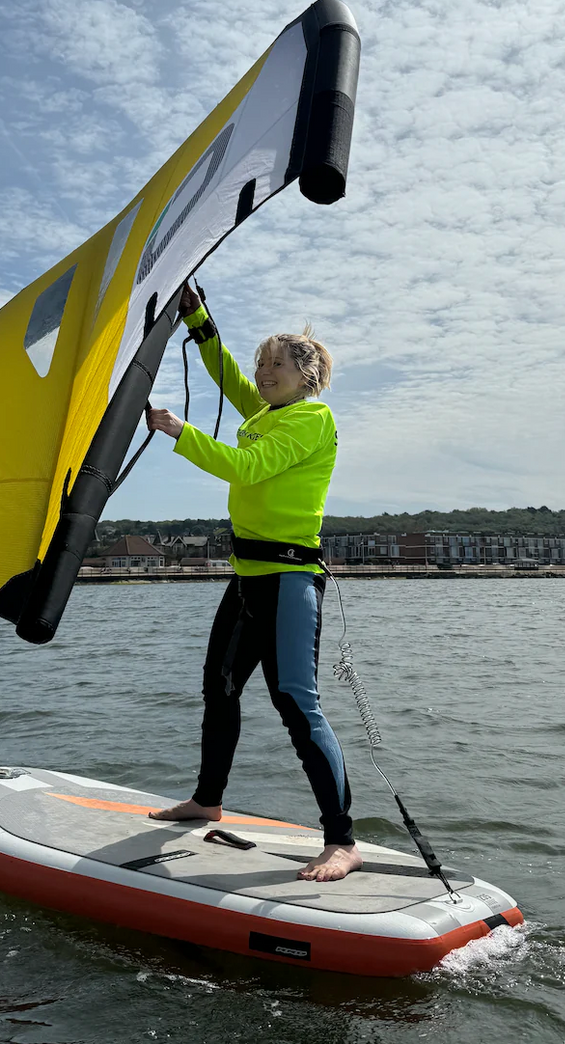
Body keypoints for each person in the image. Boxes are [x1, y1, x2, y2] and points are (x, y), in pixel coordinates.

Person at [145, 283, 361, 882]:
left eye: (276, 365)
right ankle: (207, 798)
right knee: (219, 687)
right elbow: (229, 377)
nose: (263, 373)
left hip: (290, 581)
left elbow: (248, 466)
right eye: (262, 362)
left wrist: (178, 431)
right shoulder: (268, 412)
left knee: (296, 704)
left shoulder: (312, 419)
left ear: (307, 376)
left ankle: (341, 840)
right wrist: (199, 319)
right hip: (245, 580)